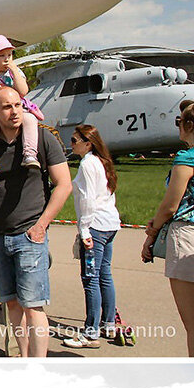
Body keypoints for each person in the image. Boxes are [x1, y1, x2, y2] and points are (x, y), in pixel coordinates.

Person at [0, 87, 72, 357]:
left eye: (18, 105)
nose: (14, 111)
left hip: (29, 235)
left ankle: (38, 365)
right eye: (6, 107)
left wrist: (41, 226)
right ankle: (23, 359)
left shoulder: (41, 138)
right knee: (11, 305)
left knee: (33, 306)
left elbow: (64, 185)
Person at [142, 98, 194, 355]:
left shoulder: (187, 160)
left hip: (188, 236)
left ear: (188, 125)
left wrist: (152, 234)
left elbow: (170, 206)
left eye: (179, 121)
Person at [63, 124, 122, 349]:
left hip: (96, 226)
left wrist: (84, 230)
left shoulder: (88, 164)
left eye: (75, 140)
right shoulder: (101, 162)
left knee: (91, 278)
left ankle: (91, 332)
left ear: (88, 143)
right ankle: (108, 323)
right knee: (104, 274)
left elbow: (87, 200)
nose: (72, 144)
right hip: (109, 224)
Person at [0, 34, 41, 175]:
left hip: (18, 111)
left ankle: (29, 154)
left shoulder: (16, 72)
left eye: (10, 55)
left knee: (30, 120)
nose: (7, 59)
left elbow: (23, 91)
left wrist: (14, 71)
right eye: (2, 55)